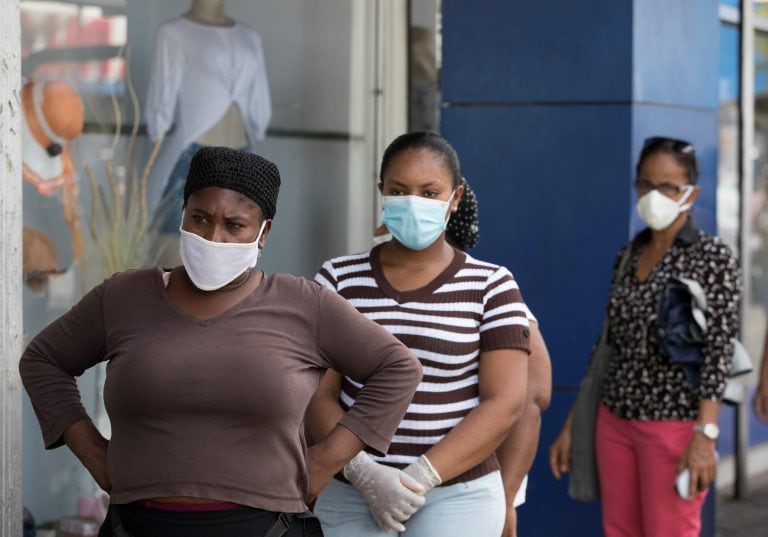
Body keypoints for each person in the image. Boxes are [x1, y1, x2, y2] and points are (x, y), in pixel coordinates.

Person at [19, 147, 422, 537]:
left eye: (234, 225)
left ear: (263, 234)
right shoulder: (123, 297)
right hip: (135, 526)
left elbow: (398, 368)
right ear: (183, 216)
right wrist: (91, 451)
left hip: (268, 528)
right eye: (200, 218)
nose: (214, 237)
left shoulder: (302, 305)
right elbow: (43, 360)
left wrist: (327, 460)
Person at [307, 132, 532, 537]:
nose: (413, 202)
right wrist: (364, 474)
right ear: (381, 192)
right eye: (399, 190)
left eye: (430, 192)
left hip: (458, 495)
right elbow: (316, 393)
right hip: (348, 490)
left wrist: (420, 476)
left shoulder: (492, 285)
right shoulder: (337, 278)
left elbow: (507, 402)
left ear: (456, 197)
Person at [548, 136, 741, 537]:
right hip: (614, 420)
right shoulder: (629, 254)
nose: (655, 195)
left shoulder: (712, 258)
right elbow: (607, 344)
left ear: (691, 192)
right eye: (646, 184)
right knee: (619, 530)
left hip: (673, 427)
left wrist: (705, 435)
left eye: (668, 186)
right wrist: (575, 423)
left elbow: (718, 354)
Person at [370, 175, 552, 537]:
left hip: (463, 493)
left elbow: (532, 396)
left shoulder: (488, 293)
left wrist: (507, 496)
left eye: (427, 194)